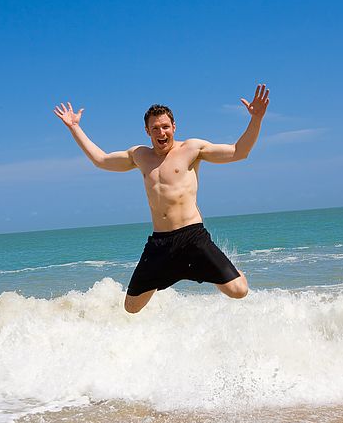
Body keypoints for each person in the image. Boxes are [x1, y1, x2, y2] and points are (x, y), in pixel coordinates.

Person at [53, 84, 270, 313]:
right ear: (147, 131)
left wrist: (256, 119)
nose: (161, 132)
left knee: (239, 291)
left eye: (165, 127)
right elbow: (101, 159)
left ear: (174, 127)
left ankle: (217, 271)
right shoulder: (139, 156)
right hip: (160, 244)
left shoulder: (192, 149)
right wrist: (75, 127)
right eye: (155, 128)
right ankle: (168, 274)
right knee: (131, 307)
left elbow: (239, 151)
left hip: (193, 237)